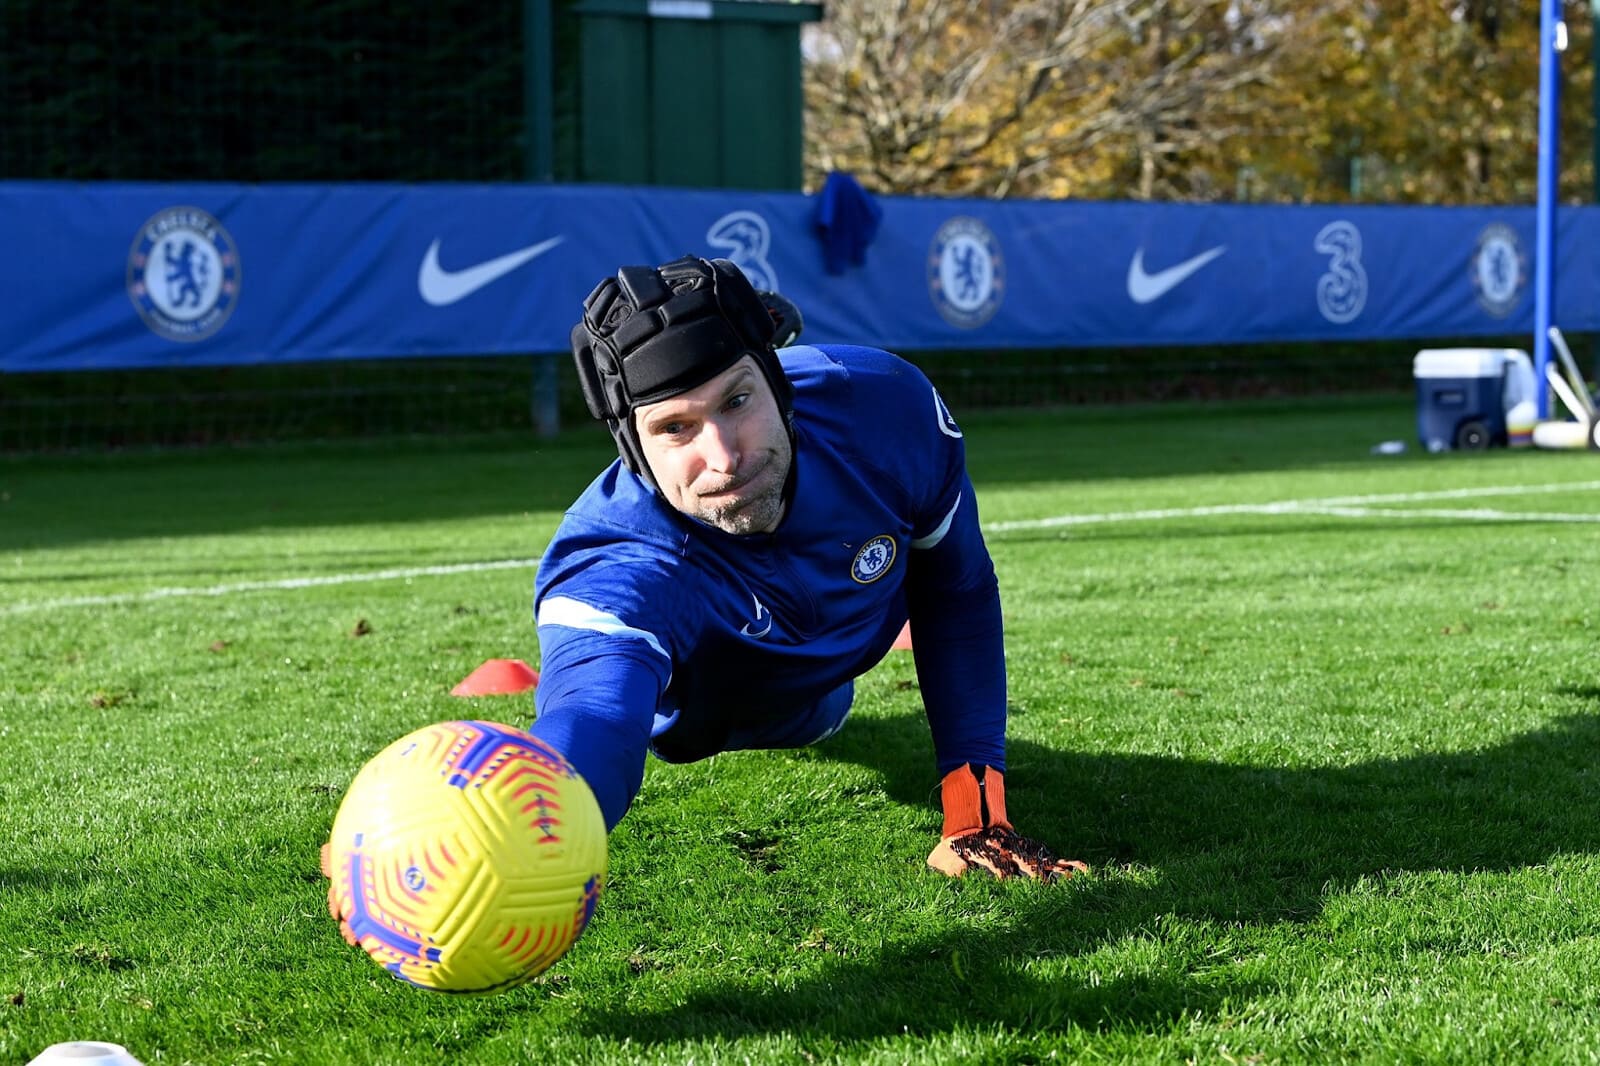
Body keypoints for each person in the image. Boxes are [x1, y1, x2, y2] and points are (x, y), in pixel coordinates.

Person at [527, 254, 1084, 881]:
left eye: (737, 399)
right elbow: (594, 715)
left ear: (777, 381)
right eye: (674, 428)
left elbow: (957, 588)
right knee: (807, 714)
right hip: (718, 712)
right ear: (634, 450)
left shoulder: (882, 412)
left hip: (831, 665)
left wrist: (974, 814)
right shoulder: (613, 566)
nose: (724, 457)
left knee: (823, 705)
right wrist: (533, 831)